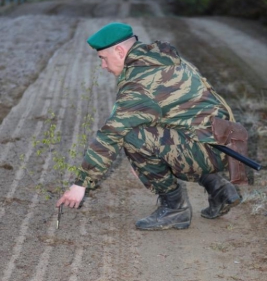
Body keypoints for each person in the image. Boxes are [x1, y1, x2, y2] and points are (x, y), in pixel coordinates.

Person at [57, 22, 247, 231]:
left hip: (210, 149)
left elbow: (111, 134)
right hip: (226, 144)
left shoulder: (140, 81)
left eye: (103, 58)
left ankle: (175, 208)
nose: (103, 65)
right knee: (160, 137)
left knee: (132, 137)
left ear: (120, 51)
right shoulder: (163, 59)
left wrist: (81, 184)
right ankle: (218, 189)